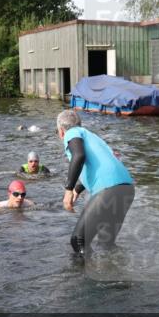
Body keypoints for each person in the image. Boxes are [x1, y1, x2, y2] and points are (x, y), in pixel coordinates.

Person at [56, 109, 134, 254]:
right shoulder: (94, 137)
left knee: (79, 240)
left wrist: (68, 190)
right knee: (106, 244)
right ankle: (117, 274)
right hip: (126, 188)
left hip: (108, 189)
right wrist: (77, 190)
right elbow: (100, 166)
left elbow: (78, 156)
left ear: (61, 131)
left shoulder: (72, 133)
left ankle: (83, 277)